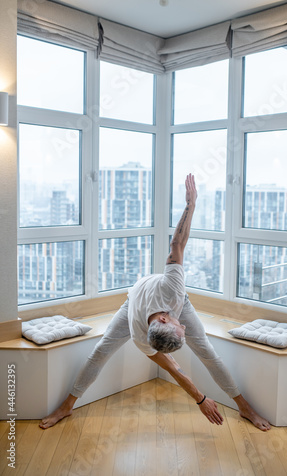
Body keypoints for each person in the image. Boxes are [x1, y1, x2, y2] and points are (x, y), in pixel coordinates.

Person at [40, 174, 271, 431]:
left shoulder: (171, 288)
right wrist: (201, 399)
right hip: (133, 305)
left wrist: (190, 205)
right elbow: (173, 368)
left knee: (208, 353)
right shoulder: (141, 337)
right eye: (181, 328)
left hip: (168, 299)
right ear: (163, 321)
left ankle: (245, 408)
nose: (184, 327)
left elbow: (177, 243)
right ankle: (67, 406)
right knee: (100, 351)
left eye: (180, 327)